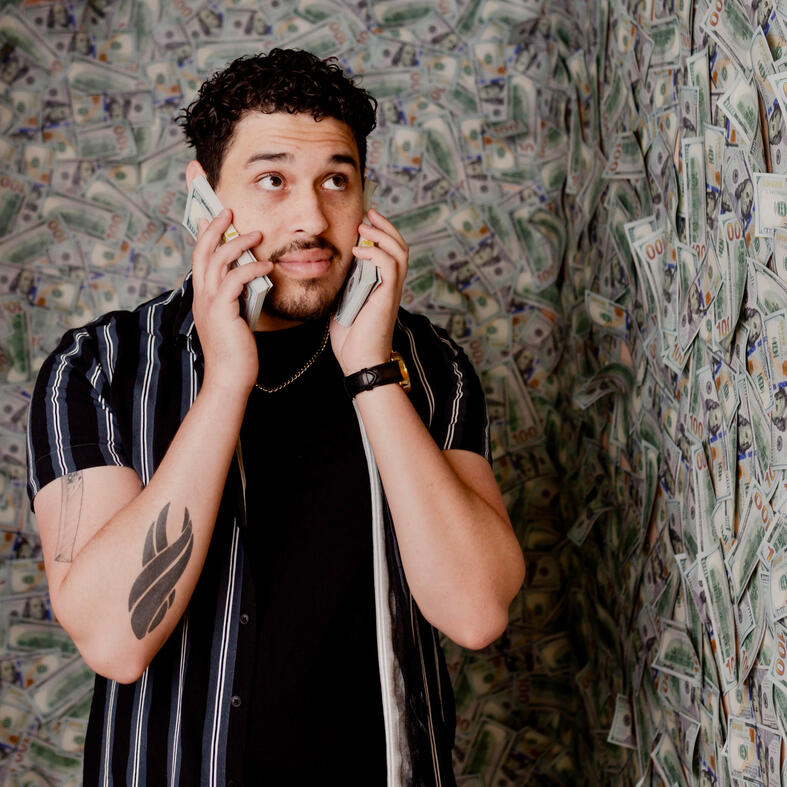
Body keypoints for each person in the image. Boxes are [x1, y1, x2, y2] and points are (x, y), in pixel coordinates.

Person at [26, 49, 524, 786]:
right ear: (202, 197)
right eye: (272, 180)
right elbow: (113, 641)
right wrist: (226, 380)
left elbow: (476, 613)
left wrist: (370, 373)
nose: (312, 219)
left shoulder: (430, 366)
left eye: (336, 180)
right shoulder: (99, 369)